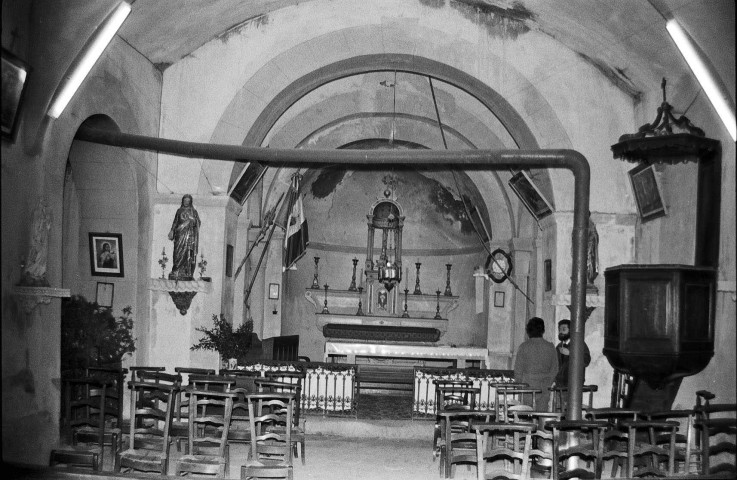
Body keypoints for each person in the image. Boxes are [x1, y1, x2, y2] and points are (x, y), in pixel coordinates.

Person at [513, 317, 558, 410]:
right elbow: (555, 369)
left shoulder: (524, 347)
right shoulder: (550, 347)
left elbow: (518, 369)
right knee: (541, 416)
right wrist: (549, 382)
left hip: (527, 386)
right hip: (544, 386)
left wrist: (519, 384)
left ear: (528, 330)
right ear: (542, 330)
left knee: (526, 416)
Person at [168, 194, 201, 280]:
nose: (186, 202)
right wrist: (172, 230)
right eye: (185, 200)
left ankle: (186, 271)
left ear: (190, 202)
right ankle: (176, 270)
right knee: (177, 252)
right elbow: (175, 222)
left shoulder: (193, 212)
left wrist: (192, 219)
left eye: (188, 201)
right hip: (179, 235)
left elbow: (197, 223)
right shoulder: (179, 211)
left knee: (187, 252)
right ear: (182, 201)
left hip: (189, 235)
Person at [555, 319, 592, 389]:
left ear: (570, 330)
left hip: (574, 385)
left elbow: (586, 361)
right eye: (559, 329)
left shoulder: (579, 344)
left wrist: (570, 353)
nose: (560, 332)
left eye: (563, 329)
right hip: (560, 385)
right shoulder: (558, 347)